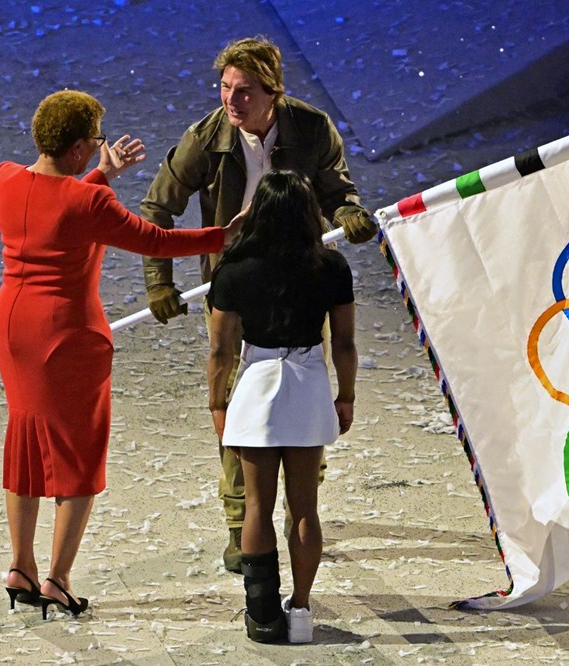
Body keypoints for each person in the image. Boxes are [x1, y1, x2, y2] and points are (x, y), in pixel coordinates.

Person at [0, 90, 243, 619]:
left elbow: (59, 212)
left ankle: (20, 566)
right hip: (67, 338)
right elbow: (154, 240)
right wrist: (224, 234)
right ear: (82, 146)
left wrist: (101, 174)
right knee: (78, 456)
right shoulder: (90, 203)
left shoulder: (5, 178)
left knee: (26, 442)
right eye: (97, 141)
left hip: (13, 328)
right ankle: (57, 579)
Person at [139, 36, 375, 574]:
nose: (231, 100)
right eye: (225, 88)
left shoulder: (311, 129)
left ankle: (301, 510)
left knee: (304, 391)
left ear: (273, 93)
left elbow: (339, 189)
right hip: (235, 279)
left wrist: (351, 213)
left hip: (299, 275)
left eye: (244, 91)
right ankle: (239, 519)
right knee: (234, 405)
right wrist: (160, 279)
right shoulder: (207, 138)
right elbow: (157, 206)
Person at [207, 169, 357, 644]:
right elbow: (346, 344)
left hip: (257, 382)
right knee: (305, 508)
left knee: (257, 506)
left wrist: (217, 404)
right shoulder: (331, 267)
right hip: (309, 380)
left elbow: (220, 351)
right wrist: (346, 395)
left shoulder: (234, 269)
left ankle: (262, 613)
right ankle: (302, 608)